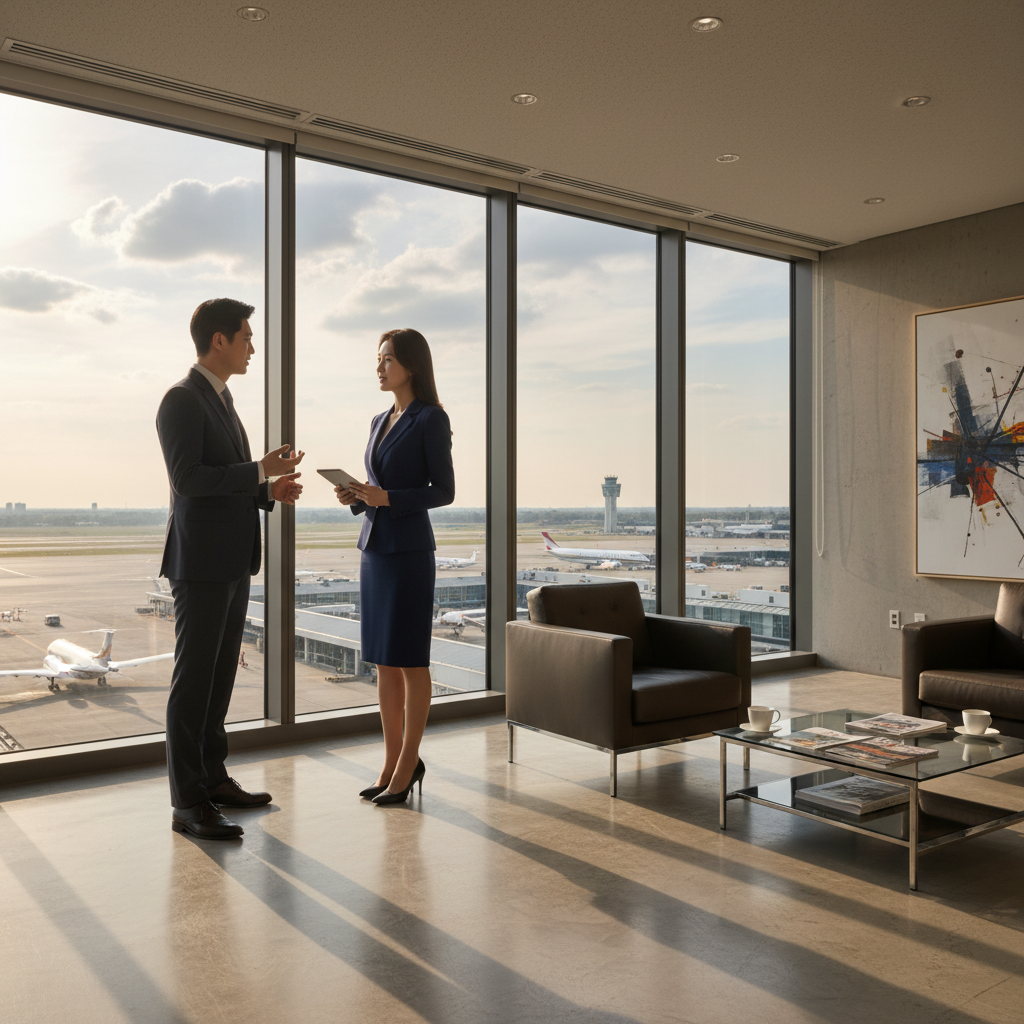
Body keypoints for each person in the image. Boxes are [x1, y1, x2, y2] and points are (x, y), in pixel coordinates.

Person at [157, 298, 304, 840]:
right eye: (246, 336)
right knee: (192, 682)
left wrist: (268, 489)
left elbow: (226, 480)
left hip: (233, 560)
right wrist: (258, 470)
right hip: (200, 564)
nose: (252, 346)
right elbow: (189, 480)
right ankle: (187, 804)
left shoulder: (222, 399)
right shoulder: (182, 399)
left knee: (218, 680)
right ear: (218, 340)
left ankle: (213, 780)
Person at [336, 328, 455, 805]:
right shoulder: (378, 419)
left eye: (387, 359)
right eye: (378, 359)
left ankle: (408, 766)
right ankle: (389, 763)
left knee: (410, 661)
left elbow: (443, 491)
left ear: (411, 364)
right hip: (375, 549)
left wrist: (390, 498)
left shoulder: (431, 418)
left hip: (408, 552)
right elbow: (378, 486)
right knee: (383, 661)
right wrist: (359, 496)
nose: (379, 367)